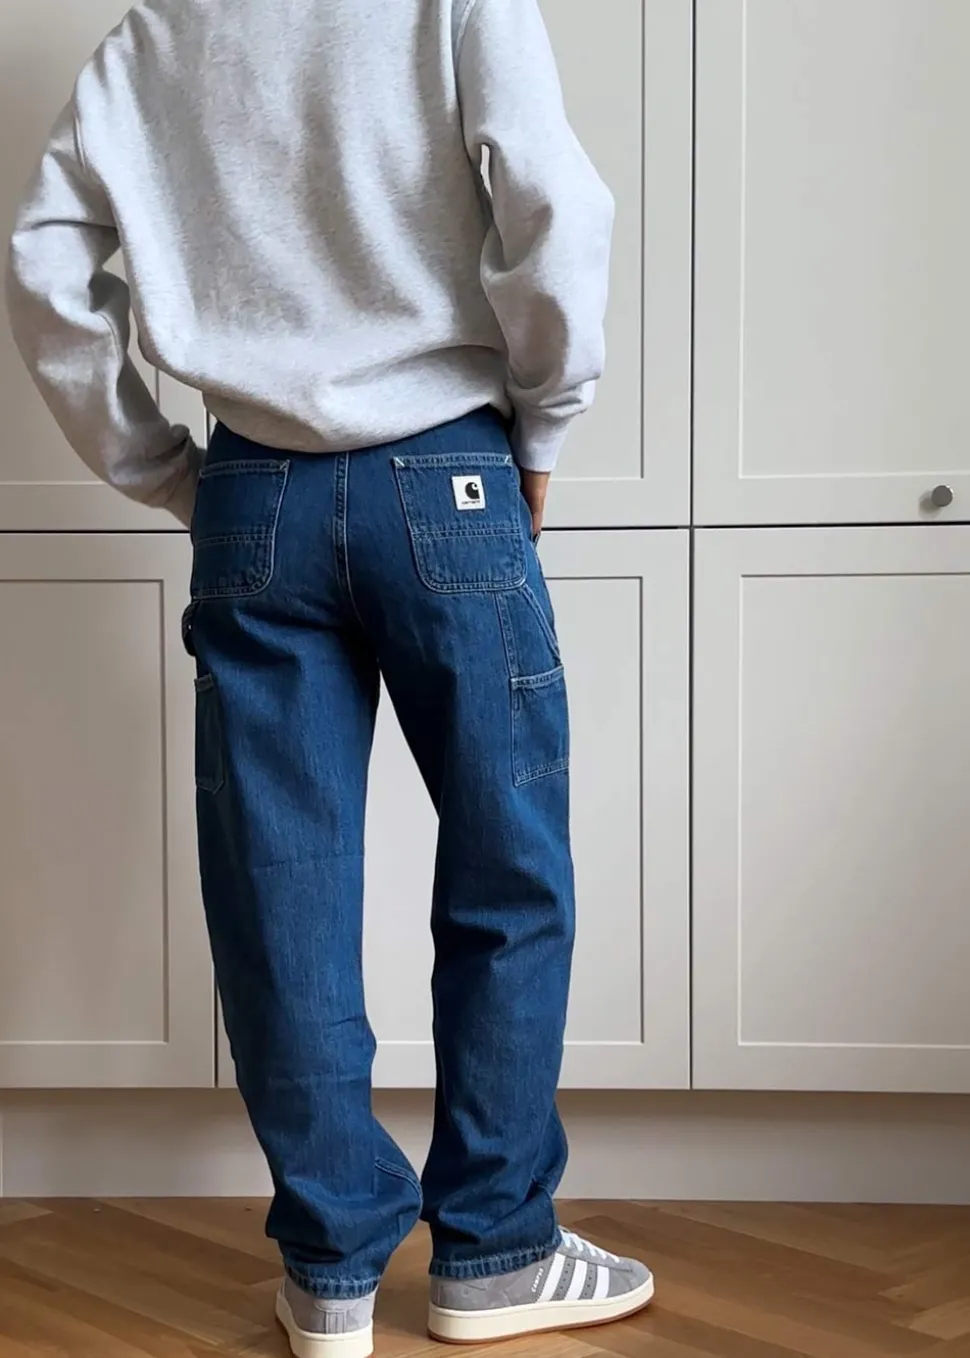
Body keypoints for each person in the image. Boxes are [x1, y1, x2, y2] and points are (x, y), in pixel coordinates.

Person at [5, 0, 654, 1352]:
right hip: (450, 474)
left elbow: (44, 259)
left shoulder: (156, 33)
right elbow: (553, 199)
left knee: (277, 891)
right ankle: (494, 1250)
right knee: (508, 870)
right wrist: (547, 420)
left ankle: (331, 1269)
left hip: (255, 494)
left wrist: (163, 469)